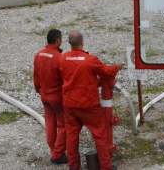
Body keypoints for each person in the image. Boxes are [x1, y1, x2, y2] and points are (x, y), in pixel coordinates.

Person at [59, 30, 122, 170]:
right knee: (100, 136)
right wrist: (117, 67)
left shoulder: (62, 59)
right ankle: (106, 166)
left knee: (72, 136)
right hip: (89, 106)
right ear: (82, 42)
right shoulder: (90, 60)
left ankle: (73, 166)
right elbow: (107, 72)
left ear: (69, 43)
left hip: (70, 105)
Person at [34, 29, 68, 165]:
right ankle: (57, 154)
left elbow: (36, 77)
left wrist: (40, 90)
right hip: (57, 97)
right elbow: (65, 80)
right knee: (64, 125)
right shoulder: (59, 58)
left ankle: (53, 150)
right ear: (58, 40)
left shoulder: (38, 55)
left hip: (44, 95)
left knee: (49, 124)